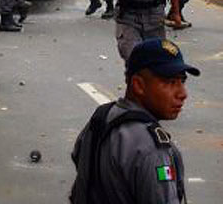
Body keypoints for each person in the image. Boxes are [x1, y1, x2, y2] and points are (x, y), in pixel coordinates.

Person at [69, 37, 200, 204]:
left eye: (182, 81)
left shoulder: (103, 115)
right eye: (170, 82)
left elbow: (78, 156)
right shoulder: (151, 148)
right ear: (139, 85)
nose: (182, 93)